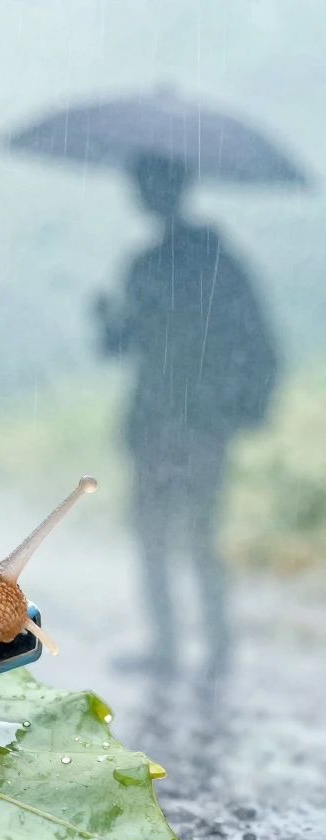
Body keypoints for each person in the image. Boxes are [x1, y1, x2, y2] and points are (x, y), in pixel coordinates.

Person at [94, 153, 277, 685]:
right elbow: (258, 338)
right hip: (197, 417)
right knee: (195, 531)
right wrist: (246, 407)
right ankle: (208, 645)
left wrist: (109, 321)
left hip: (165, 415)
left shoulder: (151, 264)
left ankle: (174, 645)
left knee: (162, 531)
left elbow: (120, 345)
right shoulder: (219, 262)